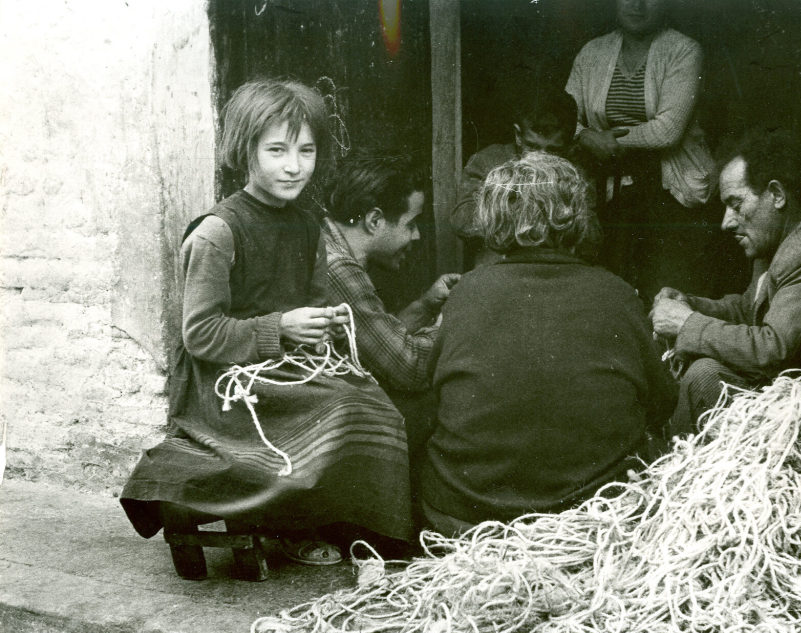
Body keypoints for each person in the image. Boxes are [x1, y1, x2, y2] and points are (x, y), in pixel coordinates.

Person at [119, 80, 416, 568]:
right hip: (224, 385)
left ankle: (365, 537)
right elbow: (200, 334)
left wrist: (325, 323)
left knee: (372, 405)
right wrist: (280, 328)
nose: (293, 165)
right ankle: (294, 527)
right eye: (277, 150)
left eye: (306, 150)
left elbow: (313, 301)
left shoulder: (307, 225)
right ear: (246, 151)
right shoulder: (218, 233)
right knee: (340, 409)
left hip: (284, 368)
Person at [419, 153, 678, 535]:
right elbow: (662, 402)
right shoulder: (617, 293)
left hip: (469, 517)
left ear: (493, 218)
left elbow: (437, 394)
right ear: (577, 216)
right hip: (595, 520)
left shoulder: (467, 292)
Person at [650, 128, 801, 435]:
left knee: (705, 375)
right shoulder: (773, 244)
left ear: (777, 195)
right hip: (771, 394)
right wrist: (691, 304)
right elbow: (747, 309)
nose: (726, 222)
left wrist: (687, 324)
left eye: (736, 204)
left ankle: (669, 464)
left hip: (794, 409)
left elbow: (772, 348)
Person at [566, 0, 717, 304]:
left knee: (665, 292)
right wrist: (586, 139)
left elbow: (667, 130)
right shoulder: (592, 52)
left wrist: (606, 141)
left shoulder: (684, 50)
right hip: (606, 188)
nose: (637, 5)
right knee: (605, 290)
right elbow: (564, 118)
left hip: (671, 190)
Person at [320, 153, 460, 451]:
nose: (417, 235)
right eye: (411, 224)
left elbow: (377, 342)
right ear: (374, 220)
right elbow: (407, 367)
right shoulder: (337, 268)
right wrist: (457, 320)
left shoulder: (329, 246)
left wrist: (425, 306)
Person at [450, 88, 578, 267]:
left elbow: (592, 236)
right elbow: (461, 220)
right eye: (532, 147)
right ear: (518, 135)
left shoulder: (574, 171)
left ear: (567, 146)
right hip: (500, 268)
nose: (540, 158)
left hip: (554, 269)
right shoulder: (488, 161)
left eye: (553, 150)